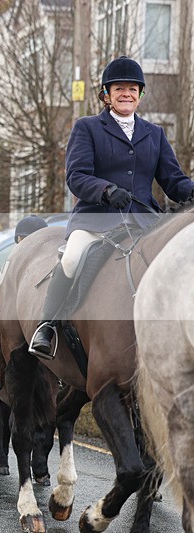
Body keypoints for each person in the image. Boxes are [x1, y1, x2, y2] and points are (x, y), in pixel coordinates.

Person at [28, 56, 194, 359]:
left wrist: (192, 190)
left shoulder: (154, 133)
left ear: (140, 95)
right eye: (119, 89)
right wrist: (105, 190)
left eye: (132, 89)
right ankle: (47, 326)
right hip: (96, 220)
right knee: (72, 258)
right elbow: (76, 176)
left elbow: (174, 180)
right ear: (106, 94)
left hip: (144, 223)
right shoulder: (87, 128)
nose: (126, 94)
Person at [0, 215, 48, 389]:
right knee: (2, 324)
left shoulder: (47, 260)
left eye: (24, 239)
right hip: (18, 310)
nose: (22, 243)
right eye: (21, 240)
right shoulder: (14, 261)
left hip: (40, 308)